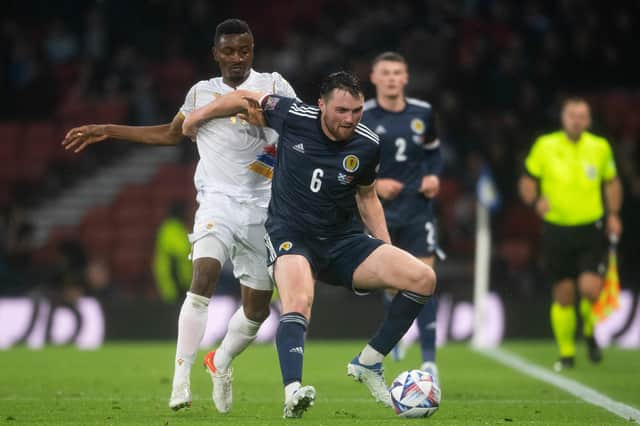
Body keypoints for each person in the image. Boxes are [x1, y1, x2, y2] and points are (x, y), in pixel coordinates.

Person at [61, 18, 297, 413]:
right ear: (215, 54)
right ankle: (180, 382)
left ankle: (219, 361)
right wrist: (109, 130)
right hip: (217, 203)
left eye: (244, 51)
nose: (237, 59)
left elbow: (301, 130)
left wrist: (272, 124)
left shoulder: (275, 85)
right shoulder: (201, 93)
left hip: (262, 207)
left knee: (257, 310)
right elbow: (170, 134)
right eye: (229, 52)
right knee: (202, 277)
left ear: (252, 51)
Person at [183, 71, 437, 418]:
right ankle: (293, 392)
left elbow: (368, 198)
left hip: (344, 241)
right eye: (341, 111)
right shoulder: (293, 114)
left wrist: (385, 247)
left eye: (357, 111)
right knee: (300, 300)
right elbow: (243, 97)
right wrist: (196, 116)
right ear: (321, 106)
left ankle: (369, 362)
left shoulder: (368, 144)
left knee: (423, 278)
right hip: (292, 234)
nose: (349, 119)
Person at [519, 97, 623, 371]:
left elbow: (611, 182)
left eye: (582, 116)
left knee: (590, 289)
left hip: (591, 227)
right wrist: (534, 201)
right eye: (571, 115)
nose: (576, 120)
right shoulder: (546, 145)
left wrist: (613, 214)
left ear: (588, 121)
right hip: (556, 228)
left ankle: (588, 330)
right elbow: (528, 180)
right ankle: (566, 353)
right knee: (563, 294)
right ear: (563, 118)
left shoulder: (599, 147)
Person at [361, 52, 444, 381]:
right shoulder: (364, 115)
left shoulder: (422, 113)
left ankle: (429, 360)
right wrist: (376, 184)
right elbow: (352, 159)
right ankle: (393, 336)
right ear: (375, 77)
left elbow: (434, 151)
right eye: (386, 73)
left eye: (398, 72)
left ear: (406, 78)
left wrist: (434, 176)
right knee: (392, 283)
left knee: (425, 278)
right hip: (379, 211)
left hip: (417, 208)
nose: (392, 78)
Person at [152, 201, 191, 304]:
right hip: (172, 279)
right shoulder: (169, 228)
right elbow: (182, 250)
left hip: (182, 279)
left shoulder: (179, 227)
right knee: (174, 311)